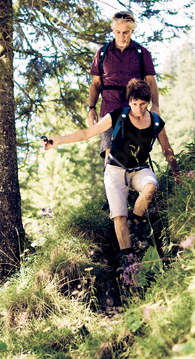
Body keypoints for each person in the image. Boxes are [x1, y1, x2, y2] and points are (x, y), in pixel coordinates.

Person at [43, 79, 179, 272]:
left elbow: (167, 150)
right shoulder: (118, 116)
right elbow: (87, 133)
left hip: (139, 169)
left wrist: (177, 175)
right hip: (115, 169)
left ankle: (137, 224)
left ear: (148, 102)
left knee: (151, 186)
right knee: (119, 215)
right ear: (129, 102)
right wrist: (57, 141)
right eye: (134, 104)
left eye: (142, 104)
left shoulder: (156, 122)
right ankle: (128, 259)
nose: (138, 109)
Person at [87, 11, 160, 162]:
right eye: (118, 32)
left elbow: (151, 82)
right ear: (113, 31)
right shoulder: (102, 53)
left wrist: (156, 106)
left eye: (125, 32)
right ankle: (111, 183)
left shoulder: (141, 53)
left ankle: (136, 184)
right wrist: (91, 108)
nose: (121, 36)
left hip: (134, 110)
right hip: (108, 110)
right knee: (109, 151)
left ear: (132, 31)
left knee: (133, 153)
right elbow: (95, 84)